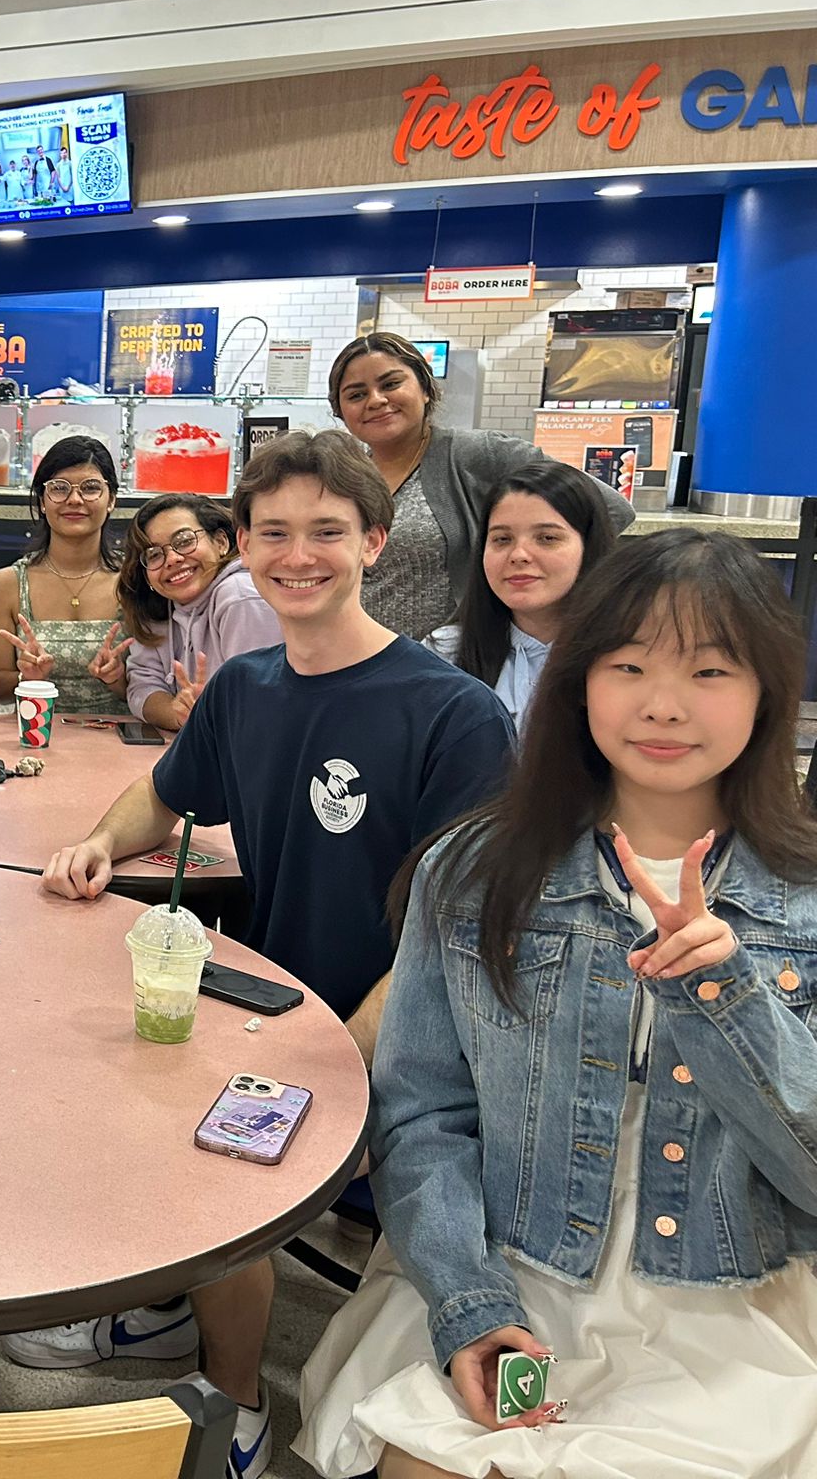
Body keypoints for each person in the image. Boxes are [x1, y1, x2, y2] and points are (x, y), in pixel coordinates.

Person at [16, 429, 516, 1479]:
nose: (298, 556)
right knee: (83, 1072)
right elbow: (162, 796)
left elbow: (455, 932)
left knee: (217, 1173)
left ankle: (231, 1410)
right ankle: (157, 1316)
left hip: (403, 1037)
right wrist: (98, 846)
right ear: (240, 543)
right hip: (260, 996)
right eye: (273, 533)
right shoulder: (244, 687)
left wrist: (341, 1053)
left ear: (372, 541)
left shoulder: (454, 715)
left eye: (326, 532)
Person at [297, 528, 817, 1479]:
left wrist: (727, 994)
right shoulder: (474, 871)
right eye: (628, 665)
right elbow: (422, 1116)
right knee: (437, 1462)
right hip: (505, 1268)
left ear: (767, 696)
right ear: (580, 683)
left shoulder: (805, 898)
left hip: (737, 1300)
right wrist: (472, 1308)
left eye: (710, 671)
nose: (663, 705)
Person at [330, 331, 632, 640]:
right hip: (360, 657)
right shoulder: (350, 476)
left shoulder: (478, 454)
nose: (376, 400)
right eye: (356, 394)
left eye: (391, 384)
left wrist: (533, 603)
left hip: (453, 666)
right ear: (340, 412)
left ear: (425, 389)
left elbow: (610, 508)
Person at [430, 460, 618, 730]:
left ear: (589, 546)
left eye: (547, 538)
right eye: (502, 539)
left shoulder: (626, 655)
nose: (519, 555)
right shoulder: (444, 654)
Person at [0, 434, 128, 715]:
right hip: (34, 737)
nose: (74, 499)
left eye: (90, 488)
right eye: (59, 488)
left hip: (123, 742)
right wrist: (28, 679)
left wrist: (117, 678)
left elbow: (154, 688)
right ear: (43, 502)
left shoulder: (134, 583)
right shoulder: (6, 585)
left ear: (111, 500)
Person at [118, 491, 282, 732]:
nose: (172, 559)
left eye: (184, 541)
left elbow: (260, 710)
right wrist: (178, 712)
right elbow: (141, 687)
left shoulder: (240, 596)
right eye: (154, 555)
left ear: (221, 542)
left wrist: (202, 719)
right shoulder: (160, 603)